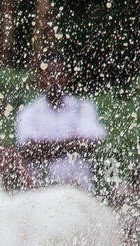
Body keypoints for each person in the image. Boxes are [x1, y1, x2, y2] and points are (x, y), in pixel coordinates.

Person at [15, 58, 105, 192]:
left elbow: (89, 143)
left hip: (80, 187)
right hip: (43, 189)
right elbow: (28, 147)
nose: (54, 80)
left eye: (59, 74)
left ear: (66, 78)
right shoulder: (29, 112)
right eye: (50, 74)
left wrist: (46, 147)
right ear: (41, 79)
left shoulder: (82, 107)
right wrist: (70, 144)